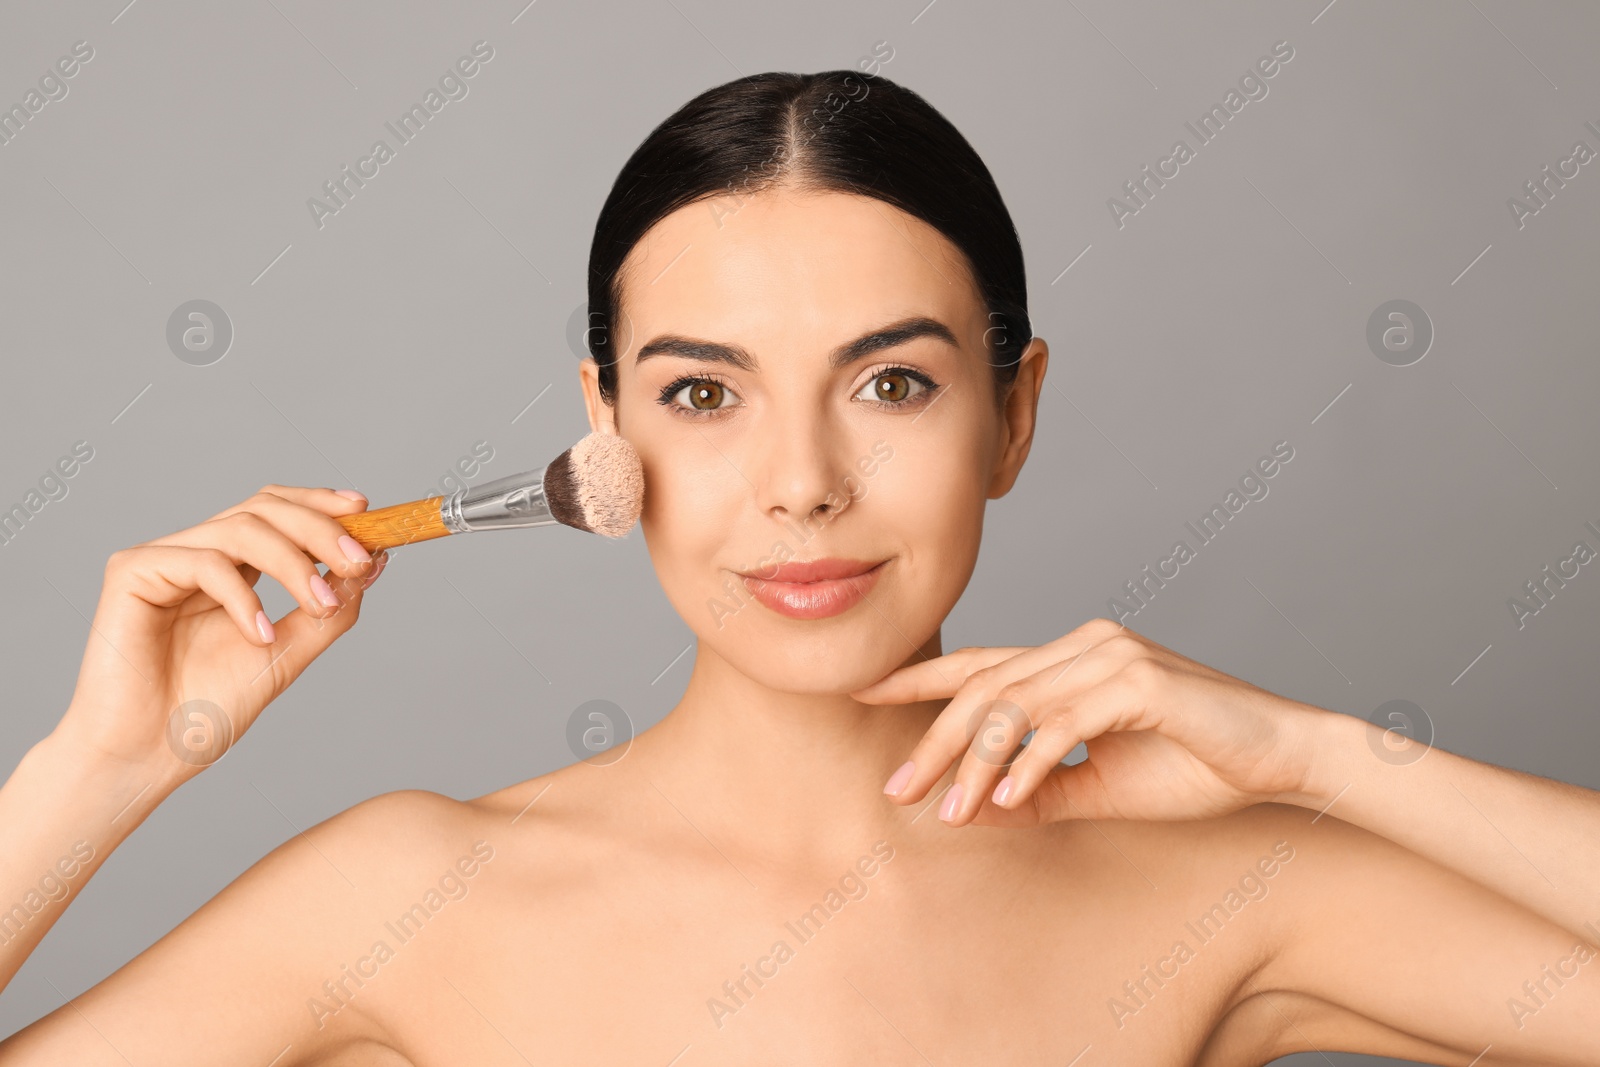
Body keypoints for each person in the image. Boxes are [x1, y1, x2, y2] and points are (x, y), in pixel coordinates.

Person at [2, 69, 1597, 1066]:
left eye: (892, 384)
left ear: (1014, 412)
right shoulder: (409, 896)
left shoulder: (1226, 889)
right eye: (702, 394)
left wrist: (1323, 756)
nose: (802, 486)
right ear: (603, 427)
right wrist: (99, 769)